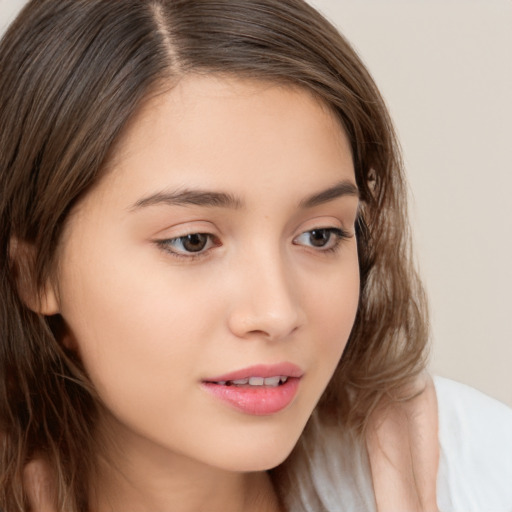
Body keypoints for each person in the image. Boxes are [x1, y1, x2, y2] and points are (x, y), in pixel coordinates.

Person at [0, 1, 510, 511]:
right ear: (37, 270)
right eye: (192, 241)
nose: (277, 313)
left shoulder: (464, 470)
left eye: (319, 235)